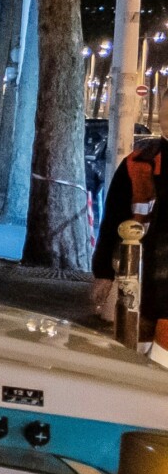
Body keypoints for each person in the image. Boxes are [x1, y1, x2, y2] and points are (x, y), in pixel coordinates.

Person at [93, 131, 168, 339]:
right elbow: (113, 219)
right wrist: (103, 272)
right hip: (143, 289)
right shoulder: (138, 163)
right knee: (136, 356)